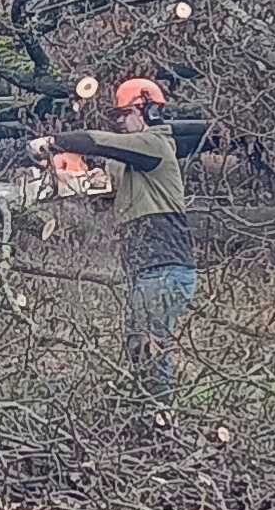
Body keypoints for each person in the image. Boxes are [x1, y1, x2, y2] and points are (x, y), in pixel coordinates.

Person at [38, 74, 195, 385]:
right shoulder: (128, 163)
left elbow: (102, 142)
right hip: (144, 268)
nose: (120, 122)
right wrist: (69, 174)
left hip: (163, 265)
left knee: (148, 347)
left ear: (148, 111)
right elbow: (102, 186)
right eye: (117, 116)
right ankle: (149, 412)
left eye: (126, 114)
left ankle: (156, 419)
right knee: (139, 347)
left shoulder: (155, 145)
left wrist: (57, 141)